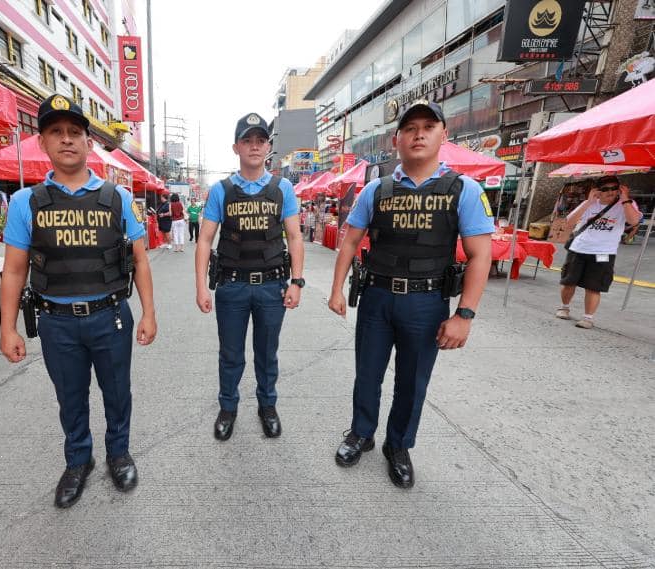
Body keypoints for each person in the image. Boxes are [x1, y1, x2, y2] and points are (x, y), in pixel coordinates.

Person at [0, 94, 157, 509]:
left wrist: (149, 313)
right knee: (70, 397)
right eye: (56, 132)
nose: (66, 139)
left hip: (111, 316)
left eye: (74, 132)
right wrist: (7, 328)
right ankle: (78, 461)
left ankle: (118, 453)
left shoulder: (118, 198)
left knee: (117, 392)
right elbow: (13, 270)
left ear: (89, 142)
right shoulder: (25, 203)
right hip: (57, 322)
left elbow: (140, 259)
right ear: (42, 142)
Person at [328, 100, 493, 489]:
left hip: (426, 302)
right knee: (367, 374)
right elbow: (349, 242)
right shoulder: (376, 190)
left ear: (443, 135)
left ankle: (398, 445)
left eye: (428, 127)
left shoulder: (463, 190)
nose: (419, 135)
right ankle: (361, 433)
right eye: (410, 128)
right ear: (396, 139)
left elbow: (480, 255)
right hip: (377, 298)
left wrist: (464, 315)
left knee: (412, 381)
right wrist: (336, 290)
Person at [195, 112, 305, 441]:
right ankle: (228, 408)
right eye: (247, 140)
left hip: (272, 286)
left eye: (260, 140)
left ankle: (267, 406)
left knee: (267, 354)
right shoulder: (222, 190)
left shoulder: (282, 188)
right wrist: (201, 286)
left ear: (268, 147)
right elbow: (205, 240)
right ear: (236, 147)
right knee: (230, 355)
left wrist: (297, 282)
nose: (254, 146)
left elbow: (295, 237)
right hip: (232, 286)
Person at [555, 175, 642, 329]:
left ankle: (587, 318)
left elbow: (634, 221)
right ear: (597, 191)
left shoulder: (626, 204)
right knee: (569, 281)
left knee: (594, 286)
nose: (610, 192)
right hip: (579, 249)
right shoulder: (590, 204)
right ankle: (564, 307)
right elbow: (570, 221)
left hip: (604, 252)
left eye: (614, 188)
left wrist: (625, 199)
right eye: (605, 189)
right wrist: (588, 202)